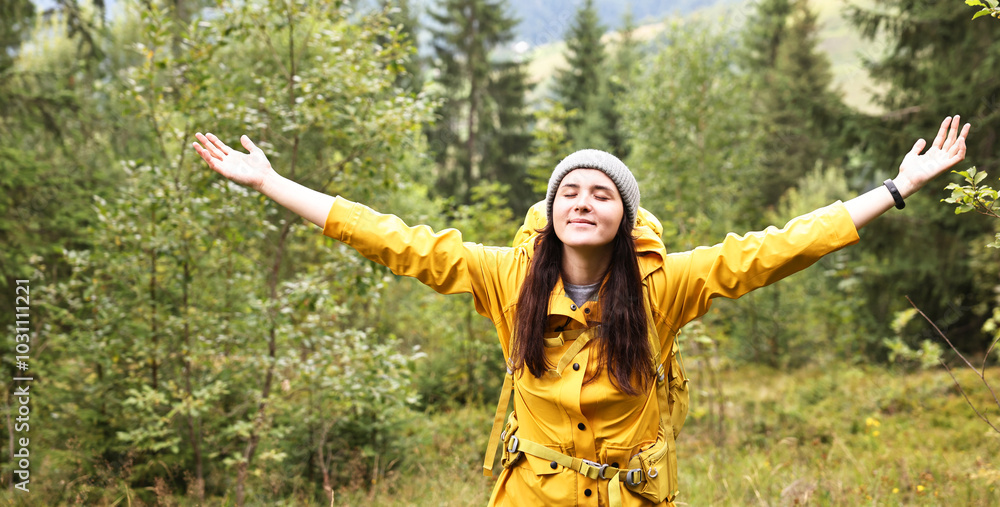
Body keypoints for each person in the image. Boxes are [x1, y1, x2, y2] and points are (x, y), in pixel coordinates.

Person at [192, 115, 970, 506]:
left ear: (625, 218)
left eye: (602, 193)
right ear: (552, 208)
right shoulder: (506, 278)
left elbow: (776, 249)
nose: (584, 201)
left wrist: (896, 189)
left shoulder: (667, 288)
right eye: (571, 190)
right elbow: (393, 239)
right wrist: (272, 183)